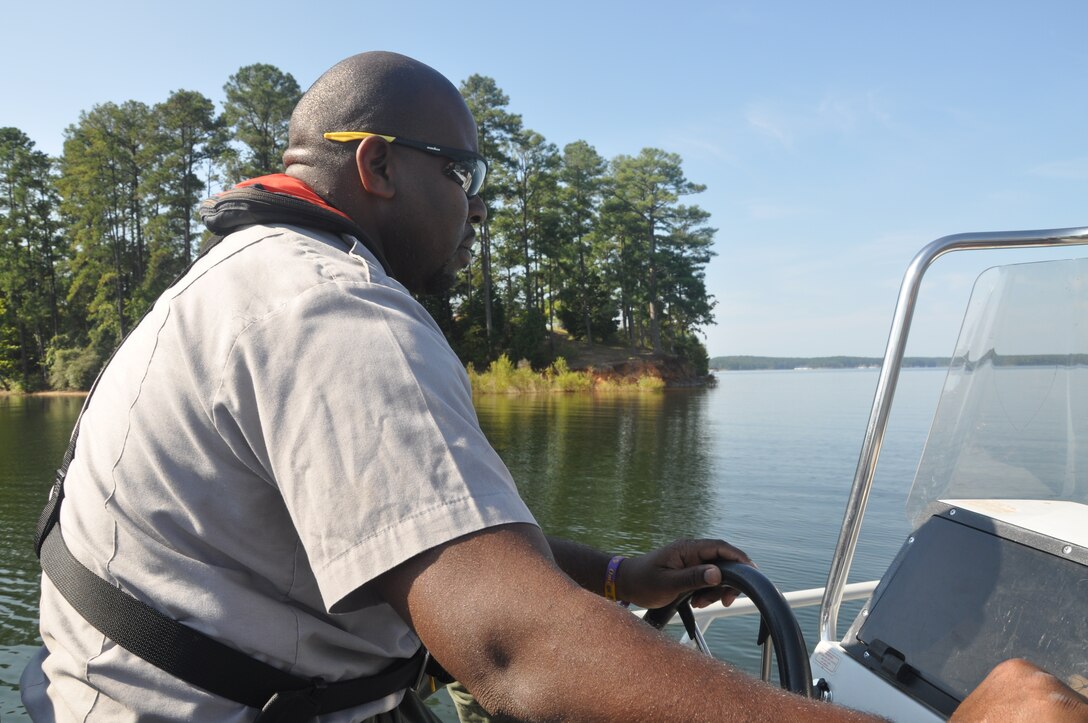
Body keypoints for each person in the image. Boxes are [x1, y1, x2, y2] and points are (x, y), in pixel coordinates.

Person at [21, 51, 1087, 723]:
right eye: (462, 174)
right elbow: (514, 652)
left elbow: (421, 536)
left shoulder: (244, 283)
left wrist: (622, 572)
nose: (474, 210)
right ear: (377, 166)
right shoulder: (334, 313)